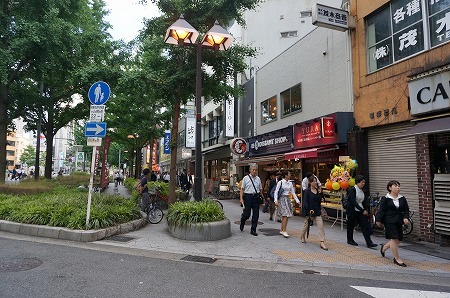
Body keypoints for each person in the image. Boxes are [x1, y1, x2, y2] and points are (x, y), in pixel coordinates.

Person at [376, 180, 410, 267]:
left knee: (398, 239)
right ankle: (397, 259)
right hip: (389, 221)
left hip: (399, 220)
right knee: (394, 239)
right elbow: (381, 210)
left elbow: (406, 209)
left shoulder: (402, 198)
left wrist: (406, 217)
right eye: (395, 186)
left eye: (399, 186)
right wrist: (378, 220)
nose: (398, 187)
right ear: (390, 188)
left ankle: (384, 248)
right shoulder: (386, 198)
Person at [346, 175, 377, 248]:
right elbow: (353, 202)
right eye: (362, 182)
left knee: (365, 226)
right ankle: (350, 240)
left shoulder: (362, 190)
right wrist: (362, 210)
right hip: (353, 211)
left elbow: (362, 201)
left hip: (360, 211)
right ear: (357, 182)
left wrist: (365, 209)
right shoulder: (352, 190)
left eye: (364, 182)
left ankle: (369, 242)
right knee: (351, 225)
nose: (363, 183)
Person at [300, 175, 328, 250]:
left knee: (320, 225)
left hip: (317, 211)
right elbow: (305, 202)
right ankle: (302, 235)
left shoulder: (317, 191)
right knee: (306, 225)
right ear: (310, 182)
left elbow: (319, 201)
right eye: (313, 181)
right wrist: (308, 211)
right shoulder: (307, 191)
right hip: (310, 211)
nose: (315, 182)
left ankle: (322, 242)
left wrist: (321, 198)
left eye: (316, 181)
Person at [274, 170, 300, 238]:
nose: (290, 175)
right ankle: (284, 230)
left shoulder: (290, 183)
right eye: (289, 174)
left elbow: (293, 192)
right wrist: (276, 200)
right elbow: (276, 191)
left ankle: (282, 229)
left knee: (286, 215)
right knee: (285, 214)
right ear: (286, 175)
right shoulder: (281, 182)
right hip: (282, 199)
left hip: (287, 199)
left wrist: (297, 201)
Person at [239, 164, 263, 236]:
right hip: (247, 197)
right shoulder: (246, 178)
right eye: (253, 170)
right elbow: (242, 189)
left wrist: (262, 198)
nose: (254, 171)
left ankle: (253, 229)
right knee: (247, 214)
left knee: (256, 214)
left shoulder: (258, 178)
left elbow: (260, 189)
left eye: (255, 170)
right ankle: (242, 221)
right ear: (250, 170)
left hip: (256, 197)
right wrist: (241, 199)